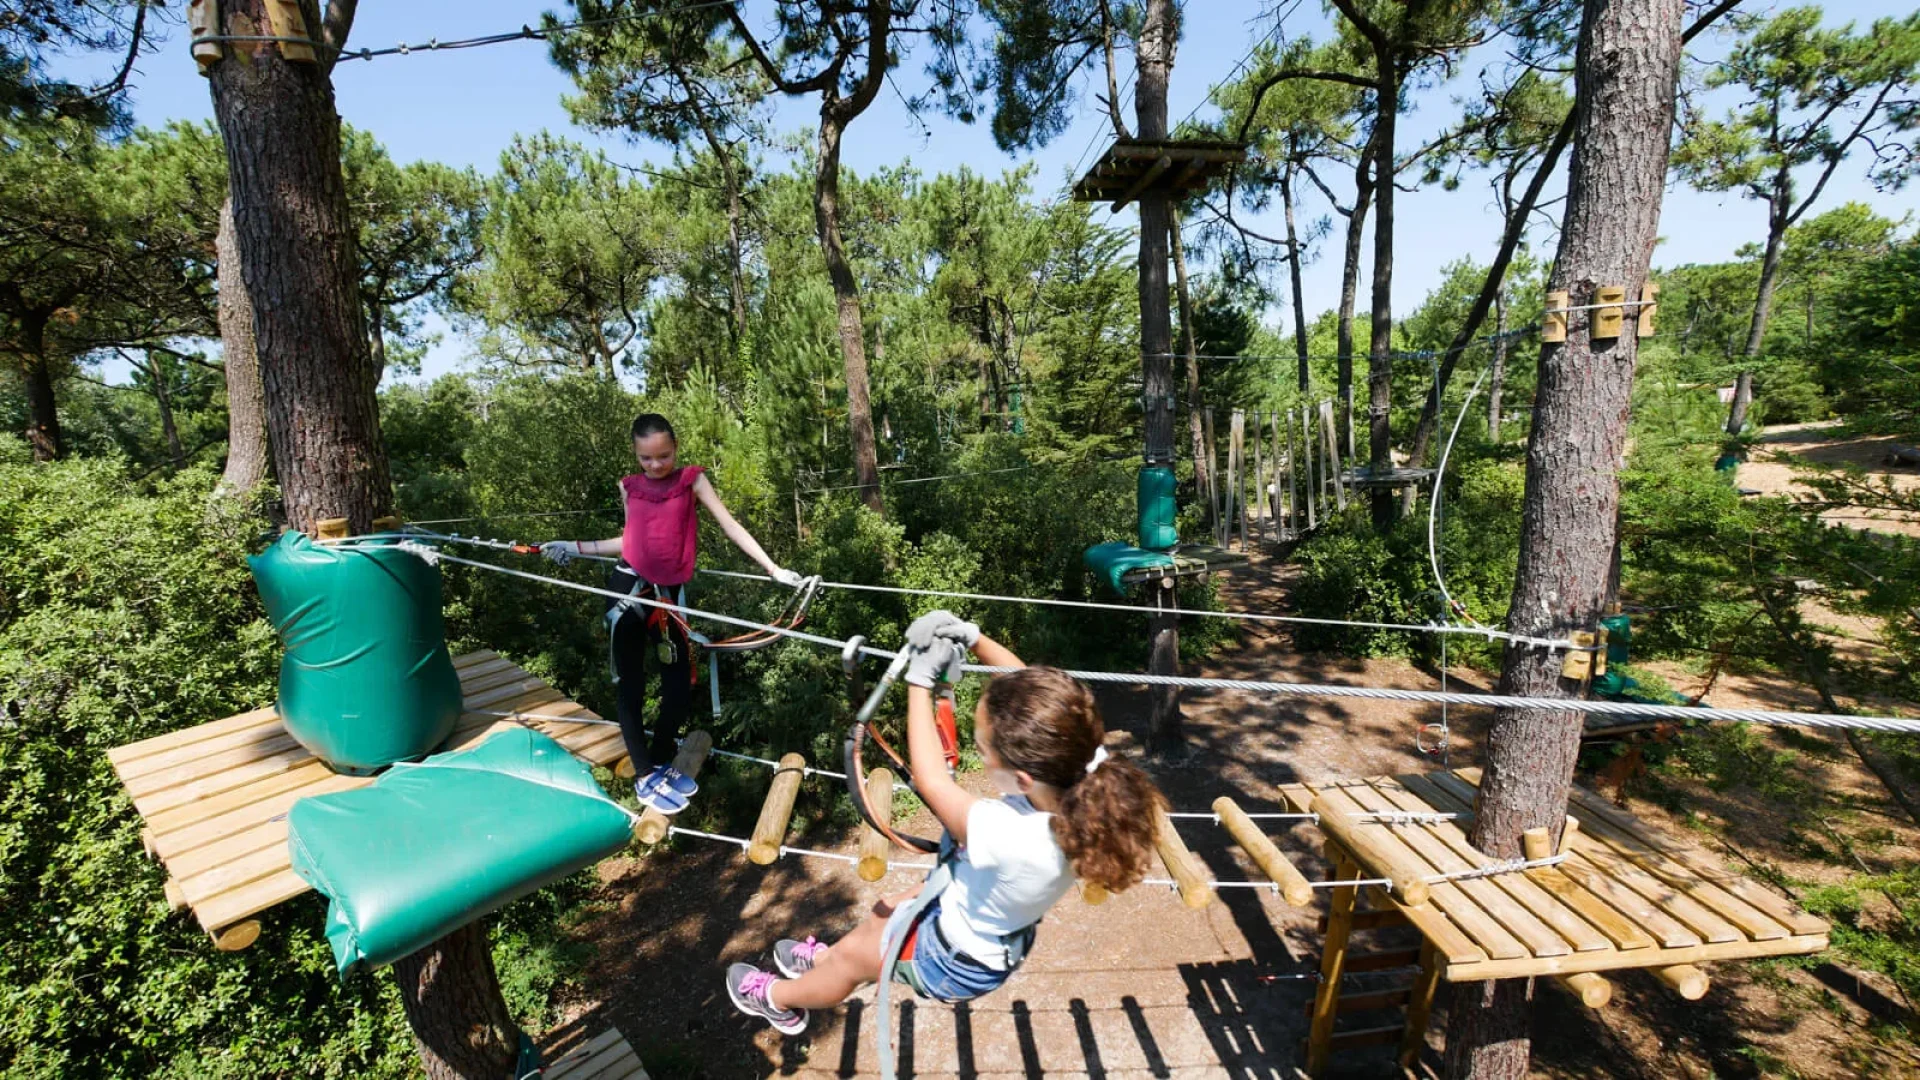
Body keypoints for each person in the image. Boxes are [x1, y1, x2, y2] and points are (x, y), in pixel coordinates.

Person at [724, 610, 1165, 1034]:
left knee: (852, 963)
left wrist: (919, 680)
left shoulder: (1012, 835)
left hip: (952, 958)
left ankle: (780, 1000)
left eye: (983, 747)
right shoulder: (1083, 761)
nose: (981, 752)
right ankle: (822, 964)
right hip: (975, 912)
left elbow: (933, 781)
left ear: (1023, 777)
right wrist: (972, 636)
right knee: (883, 913)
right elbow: (1025, 687)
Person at [541, 413, 804, 815]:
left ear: (675, 449)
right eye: (646, 458)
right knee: (629, 684)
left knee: (679, 687)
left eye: (663, 456)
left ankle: (661, 760)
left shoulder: (692, 481)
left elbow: (730, 525)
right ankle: (645, 773)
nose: (655, 465)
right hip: (628, 590)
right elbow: (629, 541)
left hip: (669, 597)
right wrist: (573, 546)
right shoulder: (630, 488)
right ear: (636, 453)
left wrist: (773, 569)